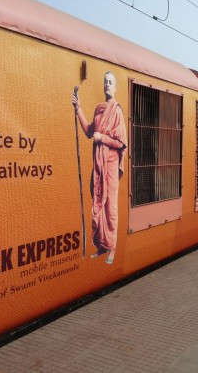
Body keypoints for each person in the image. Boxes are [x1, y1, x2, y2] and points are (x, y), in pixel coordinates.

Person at [72, 71, 127, 264]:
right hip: (98, 165)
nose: (107, 85)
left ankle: (112, 247)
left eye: (110, 82)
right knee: (97, 201)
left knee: (110, 206)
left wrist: (102, 138)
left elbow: (121, 143)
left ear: (115, 86)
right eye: (105, 82)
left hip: (110, 166)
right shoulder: (98, 108)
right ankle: (102, 246)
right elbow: (88, 131)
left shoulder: (117, 111)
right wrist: (78, 109)